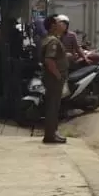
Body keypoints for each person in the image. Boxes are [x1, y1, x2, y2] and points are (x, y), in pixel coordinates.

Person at [39, 15, 68, 145]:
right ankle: (50, 135)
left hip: (51, 78)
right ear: (52, 26)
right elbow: (49, 60)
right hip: (53, 79)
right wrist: (58, 75)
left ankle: (53, 132)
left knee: (54, 106)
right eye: (59, 22)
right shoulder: (53, 41)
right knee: (53, 107)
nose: (62, 24)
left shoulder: (51, 39)